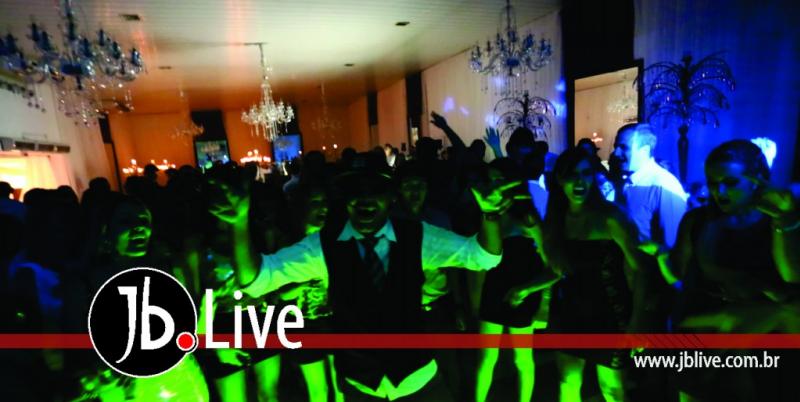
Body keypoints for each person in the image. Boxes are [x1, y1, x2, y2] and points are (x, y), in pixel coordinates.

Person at [209, 152, 520, 401]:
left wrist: (491, 216)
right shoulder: (323, 245)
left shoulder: (417, 235)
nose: (365, 199)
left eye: (376, 191)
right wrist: (239, 225)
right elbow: (257, 279)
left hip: (419, 381)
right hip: (361, 386)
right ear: (344, 199)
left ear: (391, 196)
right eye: (355, 192)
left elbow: (483, 257)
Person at [641, 140, 800, 402]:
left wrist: (785, 221)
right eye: (713, 182)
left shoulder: (778, 218)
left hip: (761, 334)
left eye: (731, 182)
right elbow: (679, 275)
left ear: (757, 180)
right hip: (704, 329)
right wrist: (660, 256)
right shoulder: (697, 220)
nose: (719, 191)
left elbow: (792, 276)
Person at [543, 148, 646, 402]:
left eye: (586, 173)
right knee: (568, 382)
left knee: (612, 389)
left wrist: (637, 321)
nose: (580, 181)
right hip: (569, 311)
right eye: (572, 175)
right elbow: (557, 270)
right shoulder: (556, 220)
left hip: (610, 314)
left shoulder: (611, 217)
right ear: (560, 179)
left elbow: (641, 270)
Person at [474, 159, 555, 402]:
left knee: (522, 358)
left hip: (521, 292)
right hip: (494, 289)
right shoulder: (488, 212)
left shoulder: (528, 217)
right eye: (490, 180)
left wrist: (537, 297)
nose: (494, 186)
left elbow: (552, 266)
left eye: (499, 179)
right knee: (486, 358)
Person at [612, 123, 688, 247]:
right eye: (616, 146)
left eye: (623, 147)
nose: (616, 153)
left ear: (645, 150)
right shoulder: (624, 181)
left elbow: (673, 245)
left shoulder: (664, 185)